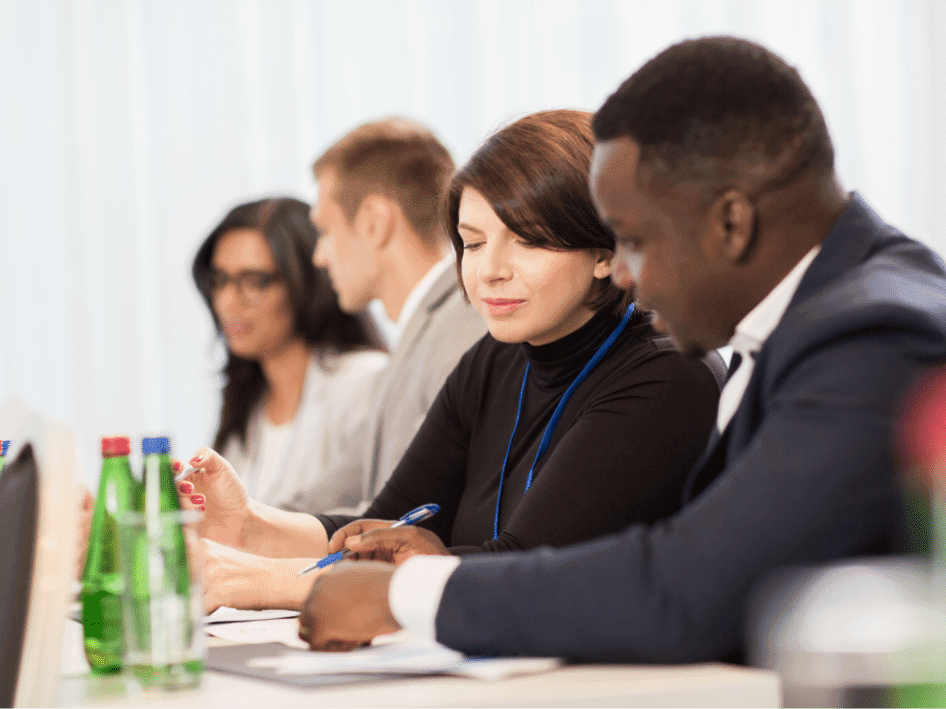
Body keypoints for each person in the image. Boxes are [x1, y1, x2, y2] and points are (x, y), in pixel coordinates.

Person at [296, 37, 946, 662]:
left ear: (729, 224)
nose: (623, 274)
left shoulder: (872, 341)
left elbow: (687, 586)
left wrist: (409, 593)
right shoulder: (836, 308)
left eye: (634, 240)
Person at [180, 109, 724, 612]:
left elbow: (522, 568)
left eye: (526, 242)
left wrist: (258, 581)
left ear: (605, 253)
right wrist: (249, 525)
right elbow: (389, 521)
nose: (490, 271)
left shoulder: (666, 376)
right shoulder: (496, 357)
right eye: (474, 243)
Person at [309, 118, 488, 503]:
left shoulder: (463, 327)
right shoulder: (420, 333)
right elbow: (339, 490)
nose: (319, 256)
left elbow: (420, 509)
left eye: (325, 230)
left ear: (374, 223)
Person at [192, 197, 387, 513]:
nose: (227, 301)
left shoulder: (364, 381)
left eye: (254, 282)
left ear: (306, 282)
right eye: (220, 280)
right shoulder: (248, 402)